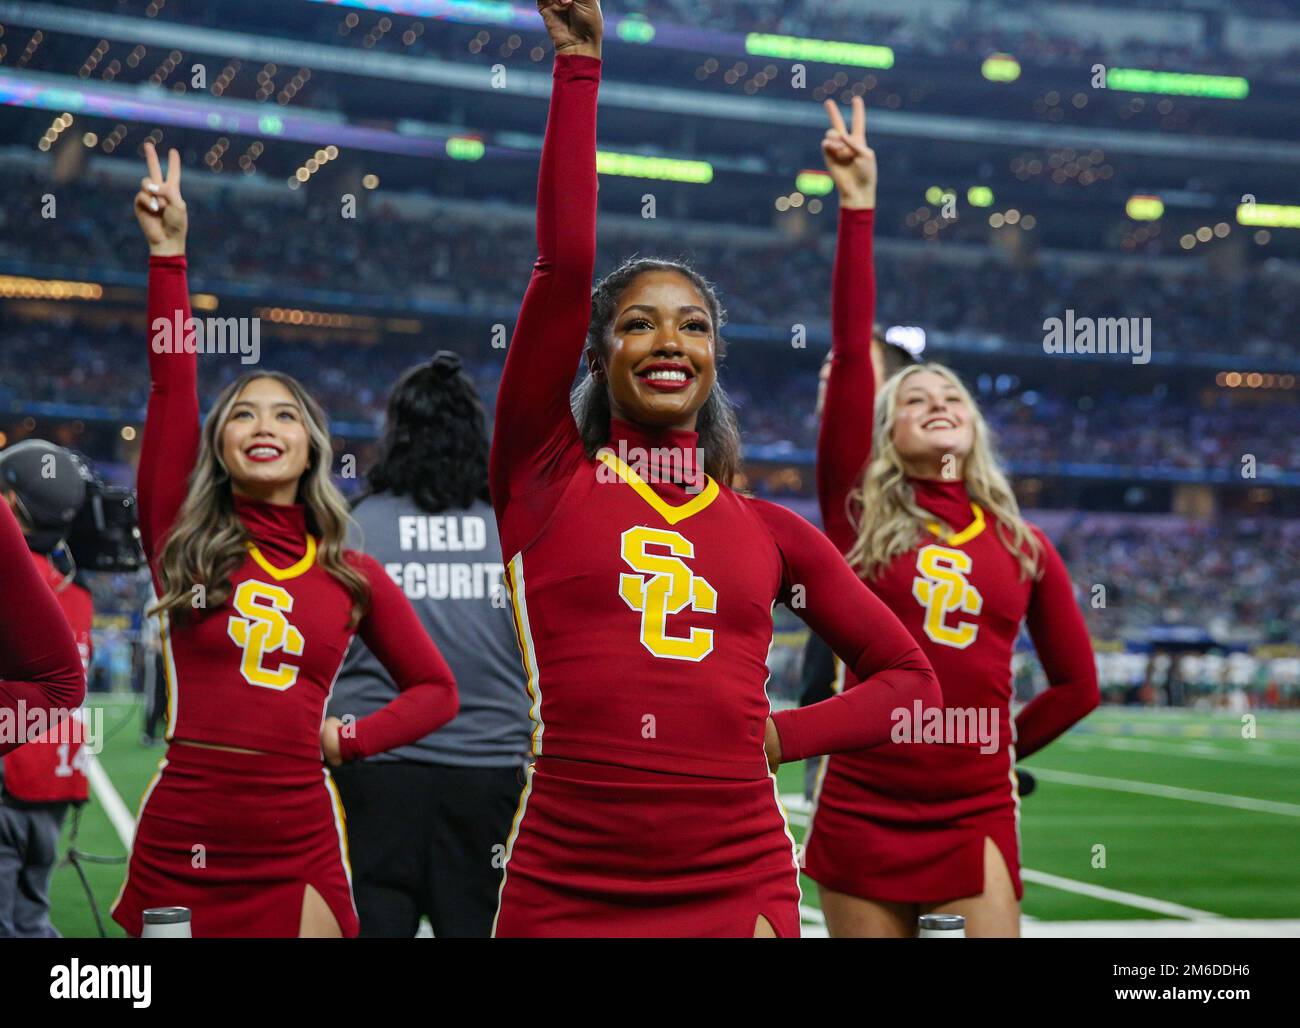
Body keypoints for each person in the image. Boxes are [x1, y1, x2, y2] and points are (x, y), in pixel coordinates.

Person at [488, 0, 939, 938]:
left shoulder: (771, 533)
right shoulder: (544, 479)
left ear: (715, 358)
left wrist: (781, 737)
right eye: (639, 322)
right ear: (599, 353)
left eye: (694, 324)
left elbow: (908, 678)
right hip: (565, 884)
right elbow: (564, 269)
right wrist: (579, 67)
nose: (670, 340)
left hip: (740, 881)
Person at [109, 142, 459, 938]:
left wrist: (350, 738)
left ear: (311, 451)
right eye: (243, 412)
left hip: (296, 836)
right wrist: (169, 260)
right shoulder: (181, 538)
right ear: (220, 445)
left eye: (284, 415)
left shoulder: (350, 573)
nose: (263, 425)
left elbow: (437, 690)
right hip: (185, 834)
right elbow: (171, 384)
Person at [805, 96, 1099, 937]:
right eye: (914, 398)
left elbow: (1079, 687)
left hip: (974, 808)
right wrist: (857, 210)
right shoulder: (856, 516)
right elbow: (851, 365)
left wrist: (1001, 745)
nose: (936, 403)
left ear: (973, 427)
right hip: (862, 797)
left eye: (951, 397)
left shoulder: (1023, 543)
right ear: (888, 432)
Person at [328, 352, 530, 938]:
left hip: (371, 765)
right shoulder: (513, 528)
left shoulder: (352, 522)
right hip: (489, 773)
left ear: (395, 434)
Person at [0, 441, 94, 937]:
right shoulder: (78, 592)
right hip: (58, 779)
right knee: (33, 917)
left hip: (10, 772)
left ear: (11, 505)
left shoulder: (13, 577)